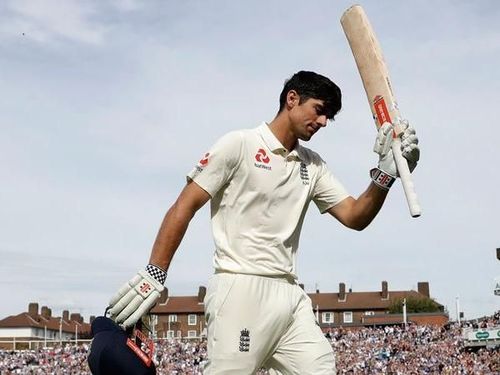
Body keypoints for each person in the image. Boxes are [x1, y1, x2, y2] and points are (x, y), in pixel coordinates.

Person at [107, 71, 419, 374]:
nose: (323, 122)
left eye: (329, 118)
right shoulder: (239, 145)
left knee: (321, 367)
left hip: (289, 295)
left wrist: (385, 176)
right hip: (239, 287)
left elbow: (354, 216)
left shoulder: (313, 164)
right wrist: (155, 270)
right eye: (320, 111)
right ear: (292, 99)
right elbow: (183, 206)